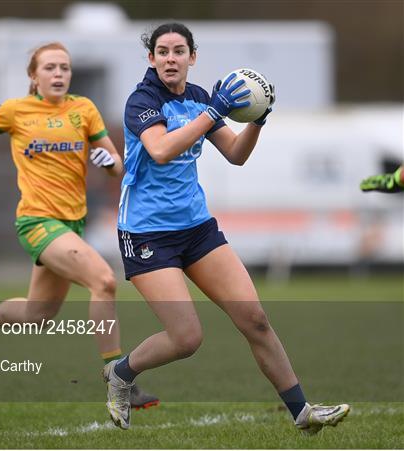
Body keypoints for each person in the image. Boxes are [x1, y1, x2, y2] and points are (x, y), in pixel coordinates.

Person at [103, 23, 350, 432]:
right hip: (146, 233)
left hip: (197, 228)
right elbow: (161, 151)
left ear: (192, 58)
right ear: (151, 59)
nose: (170, 58)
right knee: (186, 338)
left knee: (254, 318)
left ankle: (302, 412)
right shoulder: (142, 100)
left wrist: (257, 119)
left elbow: (236, 154)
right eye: (162, 51)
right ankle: (121, 373)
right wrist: (214, 112)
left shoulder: (200, 98)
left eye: (178, 51)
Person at [0, 42, 158, 409]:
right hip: (36, 222)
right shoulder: (16, 110)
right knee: (104, 281)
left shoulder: (84, 109)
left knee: (38, 314)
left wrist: (106, 161)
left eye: (64, 67)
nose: (59, 74)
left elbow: (117, 164)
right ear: (33, 76)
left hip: (70, 226)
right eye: (50, 68)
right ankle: (117, 377)